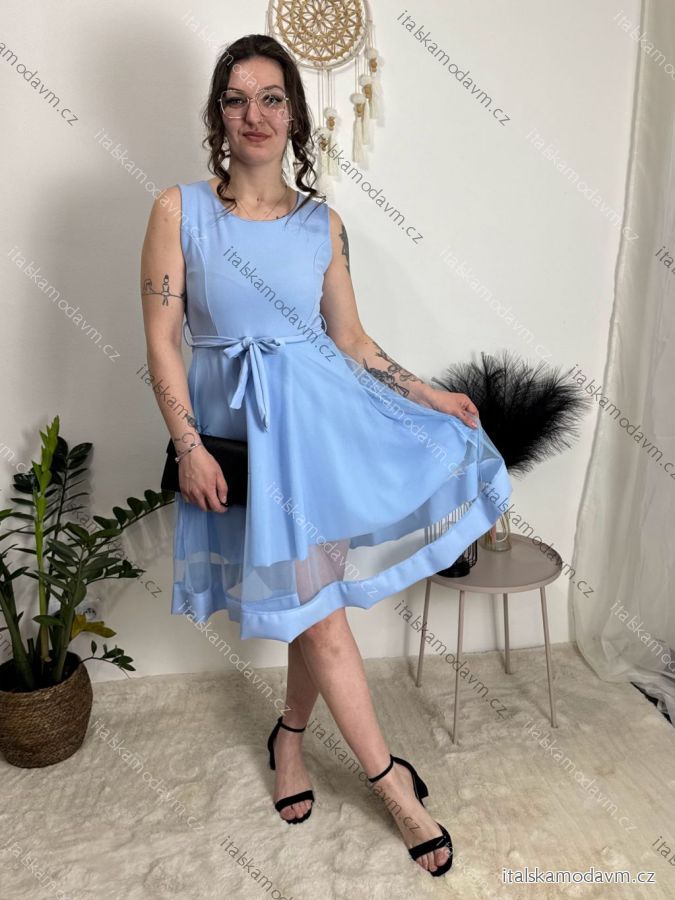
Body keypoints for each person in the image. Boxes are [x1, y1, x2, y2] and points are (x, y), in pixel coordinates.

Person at [140, 33, 511, 878]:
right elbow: (162, 341)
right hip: (240, 443)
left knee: (317, 607)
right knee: (318, 609)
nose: (255, 114)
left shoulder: (322, 224)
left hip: (321, 438)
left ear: (295, 115)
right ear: (217, 115)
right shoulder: (177, 211)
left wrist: (429, 395)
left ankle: (309, 747)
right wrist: (187, 444)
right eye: (236, 99)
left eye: (272, 98)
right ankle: (383, 782)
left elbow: (351, 341)